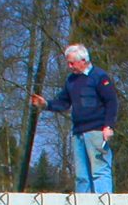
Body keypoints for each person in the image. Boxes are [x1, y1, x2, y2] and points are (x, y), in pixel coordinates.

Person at [30, 43, 118, 193]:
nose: (70, 66)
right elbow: (63, 102)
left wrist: (108, 126)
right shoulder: (71, 80)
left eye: (72, 63)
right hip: (78, 133)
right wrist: (46, 104)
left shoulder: (99, 76)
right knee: (81, 176)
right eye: (68, 63)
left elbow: (111, 102)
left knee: (100, 171)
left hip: (96, 132)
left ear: (83, 60)